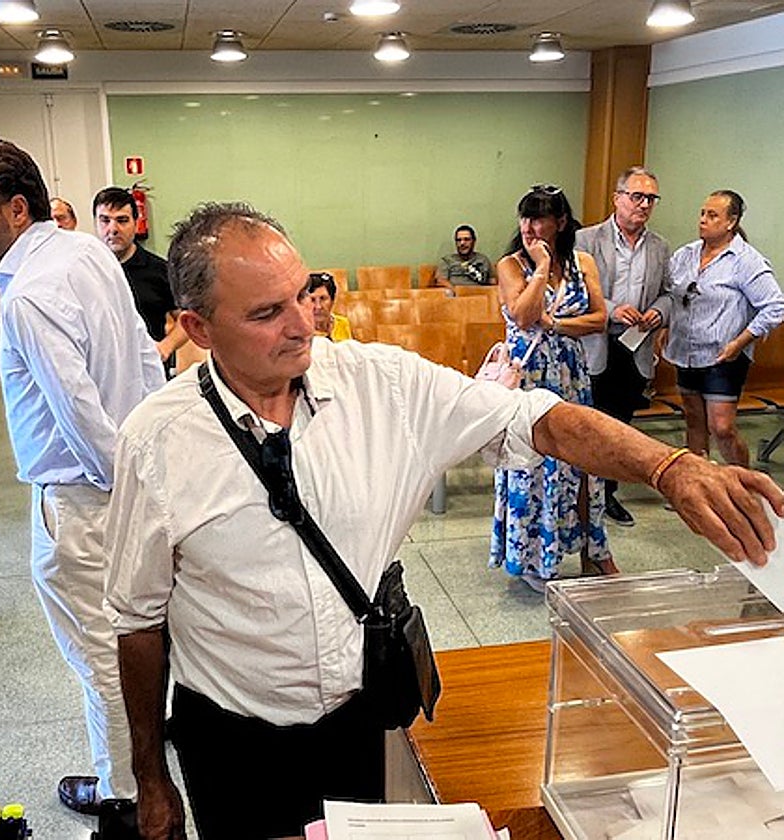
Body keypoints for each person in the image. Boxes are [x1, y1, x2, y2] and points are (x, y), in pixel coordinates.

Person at [105, 200, 784, 840]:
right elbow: (138, 621)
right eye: (265, 313)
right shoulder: (156, 442)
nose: (302, 323)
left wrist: (670, 467)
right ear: (197, 328)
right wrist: (148, 772)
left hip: (364, 720)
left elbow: (538, 420)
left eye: (302, 293)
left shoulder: (383, 386)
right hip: (231, 736)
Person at [0, 137, 163, 815]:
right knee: (138, 636)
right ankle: (144, 760)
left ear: (14, 208)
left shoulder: (30, 294)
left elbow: (80, 414)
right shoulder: (86, 251)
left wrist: (117, 488)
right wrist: (148, 471)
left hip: (82, 499)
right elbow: (148, 363)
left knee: (102, 656)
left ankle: (124, 791)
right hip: (128, 478)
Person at [492, 185, 615, 591]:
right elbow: (523, 316)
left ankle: (591, 550)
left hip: (570, 372)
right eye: (524, 217)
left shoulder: (583, 262)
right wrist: (541, 268)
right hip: (528, 375)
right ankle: (533, 557)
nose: (528, 226)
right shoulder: (511, 265)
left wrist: (557, 324)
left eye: (538, 218)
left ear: (560, 222)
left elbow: (599, 318)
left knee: (580, 460)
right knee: (535, 462)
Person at [576, 166, 672, 527]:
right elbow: (580, 293)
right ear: (617, 198)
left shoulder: (660, 246)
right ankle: (585, 495)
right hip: (597, 343)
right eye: (637, 196)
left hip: (637, 346)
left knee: (622, 425)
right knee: (594, 422)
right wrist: (616, 308)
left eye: (651, 198)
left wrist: (657, 314)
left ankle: (608, 494)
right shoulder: (587, 240)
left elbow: (668, 294)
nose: (644, 204)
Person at [665, 190, 784, 466]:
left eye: (713, 215)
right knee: (694, 421)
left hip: (724, 355)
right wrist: (664, 328)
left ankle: (742, 485)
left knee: (722, 428)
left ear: (731, 222)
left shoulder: (746, 260)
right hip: (686, 352)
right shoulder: (686, 254)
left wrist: (740, 342)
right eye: (703, 213)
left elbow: (776, 306)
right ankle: (698, 486)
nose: (703, 220)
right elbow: (671, 293)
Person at [93, 186, 188, 363]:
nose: (113, 229)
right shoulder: (85, 271)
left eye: (122, 220)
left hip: (149, 375)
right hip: (103, 373)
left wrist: (166, 346)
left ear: (136, 224)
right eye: (105, 220)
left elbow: (187, 318)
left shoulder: (160, 270)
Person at [308, 271, 352, 341]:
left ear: (332, 300)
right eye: (312, 300)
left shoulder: (342, 323)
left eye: (323, 299)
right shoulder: (300, 330)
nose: (318, 306)